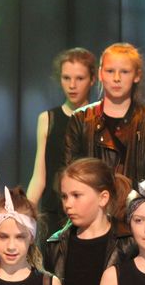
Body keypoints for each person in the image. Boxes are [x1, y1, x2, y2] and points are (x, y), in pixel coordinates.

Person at [65, 42, 145, 187]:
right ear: (100, 74)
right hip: (93, 200)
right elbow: (71, 173)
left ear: (137, 75)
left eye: (124, 72)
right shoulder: (80, 119)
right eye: (110, 71)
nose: (116, 78)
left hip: (138, 201)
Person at [27, 47, 96, 235]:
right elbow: (39, 176)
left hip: (91, 214)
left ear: (92, 80)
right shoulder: (48, 119)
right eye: (66, 78)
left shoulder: (100, 120)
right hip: (54, 213)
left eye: (79, 78)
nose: (72, 85)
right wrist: (25, 213)